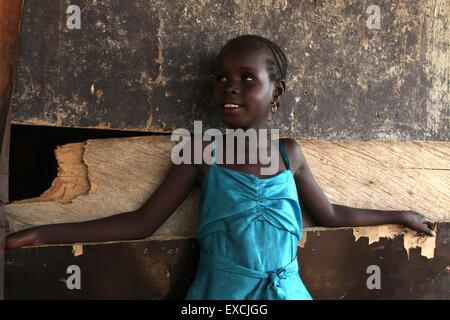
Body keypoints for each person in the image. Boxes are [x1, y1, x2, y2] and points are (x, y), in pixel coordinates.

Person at [5, 35, 436, 300]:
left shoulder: (289, 154)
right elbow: (141, 223)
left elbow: (331, 215)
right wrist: (45, 232)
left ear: (277, 91)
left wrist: (401, 214)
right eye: (221, 77)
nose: (230, 86)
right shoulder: (200, 152)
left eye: (247, 78)